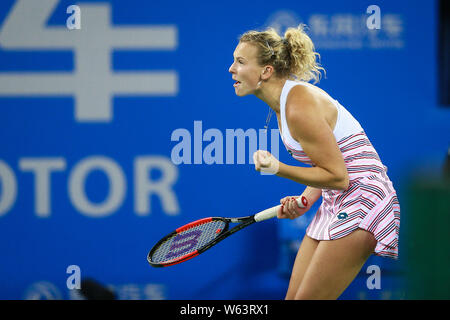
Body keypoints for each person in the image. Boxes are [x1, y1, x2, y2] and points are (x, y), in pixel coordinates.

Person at [228, 25, 400, 300]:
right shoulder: (284, 106)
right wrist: (305, 201)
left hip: (364, 199)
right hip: (337, 200)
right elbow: (328, 167)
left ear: (266, 71)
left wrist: (278, 169)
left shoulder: (298, 105)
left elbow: (338, 176)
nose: (231, 69)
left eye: (240, 61)